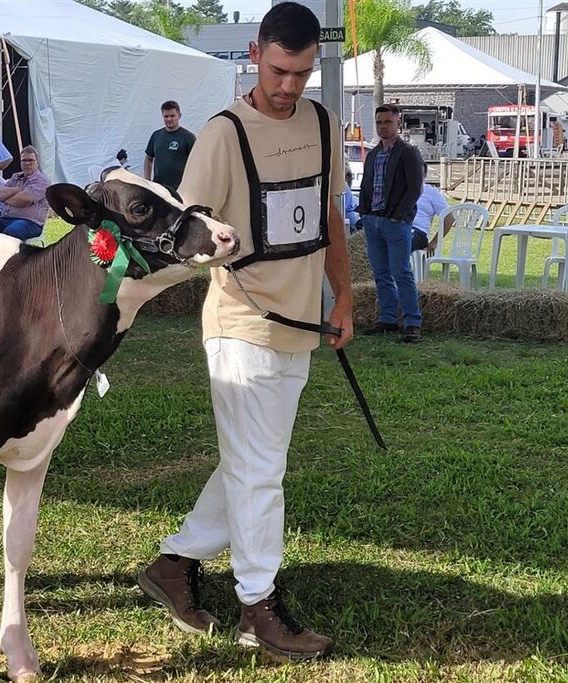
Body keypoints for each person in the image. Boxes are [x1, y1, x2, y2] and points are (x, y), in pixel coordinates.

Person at [137, 2, 351, 662]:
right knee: (261, 475)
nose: (290, 86)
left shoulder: (322, 123)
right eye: (281, 69)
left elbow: (329, 213)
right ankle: (257, 608)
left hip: (302, 326)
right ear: (255, 53)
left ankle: (172, 565)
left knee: (255, 466)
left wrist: (343, 295)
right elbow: (188, 227)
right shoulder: (222, 134)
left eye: (304, 73)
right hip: (240, 326)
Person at [358, 103, 425, 343]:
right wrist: (363, 212)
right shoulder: (374, 154)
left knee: (401, 272)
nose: (383, 127)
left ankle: (412, 322)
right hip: (373, 219)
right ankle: (387, 317)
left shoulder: (408, 152)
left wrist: (399, 215)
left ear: (398, 124)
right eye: (379, 122)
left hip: (395, 222)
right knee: (381, 272)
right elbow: (367, 184)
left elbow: (415, 188)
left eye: (387, 122)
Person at [0, 146, 49, 241]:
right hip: (5, 218)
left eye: (31, 160)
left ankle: (9, 256)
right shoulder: (16, 177)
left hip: (29, 222)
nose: (27, 163)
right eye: (24, 160)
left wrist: (5, 198)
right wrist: (18, 190)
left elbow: (24, 200)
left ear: (37, 162)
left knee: (10, 233)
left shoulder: (42, 181)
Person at [143, 100, 197, 191]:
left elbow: (196, 163)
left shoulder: (188, 137)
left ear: (179, 116)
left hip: (180, 189)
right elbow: (148, 158)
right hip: (158, 188)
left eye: (172, 116)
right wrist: (147, 180)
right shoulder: (156, 135)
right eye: (166, 116)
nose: (169, 119)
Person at [412, 162, 453, 254]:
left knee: (403, 241)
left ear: (425, 175)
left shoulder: (431, 192)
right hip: (399, 228)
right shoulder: (399, 190)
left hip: (418, 232)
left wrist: (435, 242)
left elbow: (449, 218)